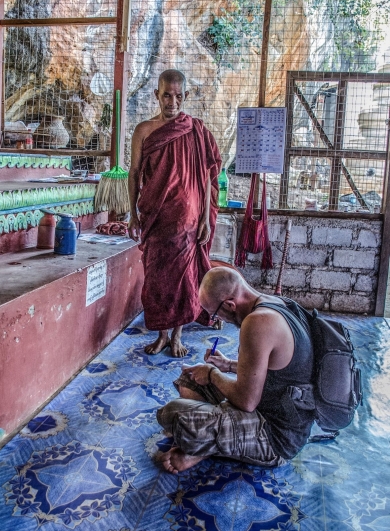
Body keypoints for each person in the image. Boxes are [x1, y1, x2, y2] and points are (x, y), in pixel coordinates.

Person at [156, 266, 316, 473]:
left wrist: (213, 374)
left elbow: (246, 402)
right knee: (190, 379)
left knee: (171, 414)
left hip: (276, 437)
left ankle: (202, 448)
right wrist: (229, 365)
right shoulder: (277, 303)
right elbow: (274, 371)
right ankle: (211, 436)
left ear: (230, 304)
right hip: (268, 404)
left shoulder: (257, 322)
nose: (218, 321)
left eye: (215, 315)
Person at [128, 69, 221, 358]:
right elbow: (133, 174)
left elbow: (206, 178)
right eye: (166, 95)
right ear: (157, 94)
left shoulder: (195, 130)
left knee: (184, 278)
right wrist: (131, 213)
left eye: (178, 96)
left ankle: (178, 335)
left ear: (186, 96)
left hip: (188, 218)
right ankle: (162, 335)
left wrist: (205, 218)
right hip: (156, 216)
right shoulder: (144, 130)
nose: (172, 102)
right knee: (156, 277)